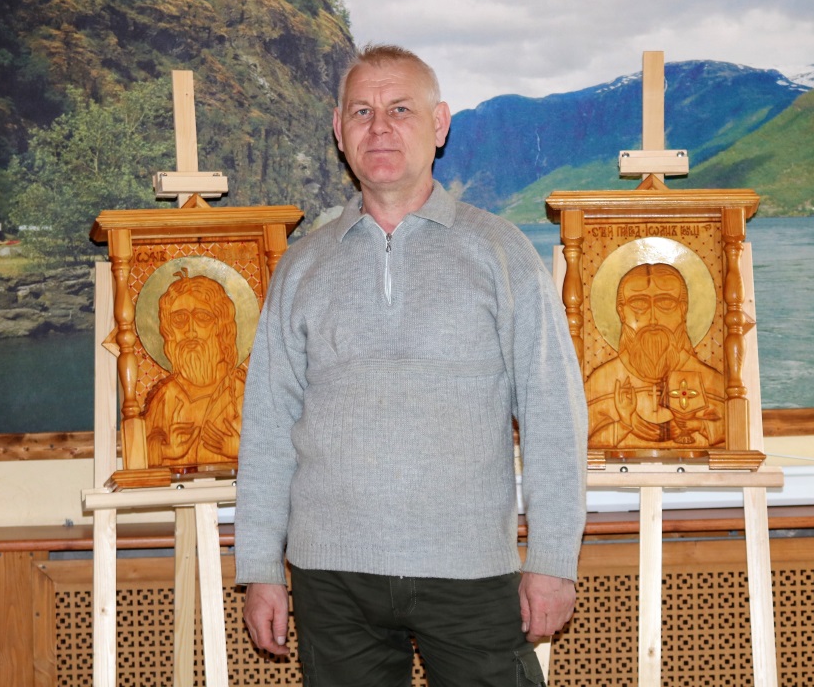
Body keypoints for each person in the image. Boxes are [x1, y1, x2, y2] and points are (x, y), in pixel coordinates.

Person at [234, 44, 588, 686]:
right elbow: (267, 425)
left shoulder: (501, 253)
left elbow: (552, 415)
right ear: (339, 130)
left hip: (470, 568)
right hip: (332, 576)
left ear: (439, 124)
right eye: (361, 112)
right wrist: (260, 566)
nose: (379, 127)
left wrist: (553, 559)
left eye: (400, 109)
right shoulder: (302, 266)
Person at [585, 263, 725, 450]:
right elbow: (586, 440)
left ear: (683, 310)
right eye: (639, 304)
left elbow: (730, 430)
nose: (653, 319)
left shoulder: (710, 381)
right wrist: (624, 423)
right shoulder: (600, 383)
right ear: (621, 312)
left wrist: (699, 425)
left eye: (665, 303)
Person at [141, 269, 245, 468]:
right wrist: (165, 451)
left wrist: (240, 449)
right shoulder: (165, 397)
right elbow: (139, 452)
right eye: (179, 319)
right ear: (169, 330)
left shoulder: (239, 392)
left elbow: (274, 444)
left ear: (220, 327)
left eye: (202, 318)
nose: (190, 331)